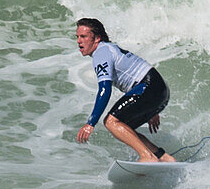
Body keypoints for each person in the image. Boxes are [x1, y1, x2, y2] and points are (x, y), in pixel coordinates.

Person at [74, 18, 176, 162]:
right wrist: (151, 106)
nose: (79, 41)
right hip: (158, 87)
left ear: (97, 38)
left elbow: (105, 89)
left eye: (83, 36)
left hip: (149, 86)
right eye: (77, 37)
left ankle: (147, 156)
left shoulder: (101, 53)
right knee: (125, 128)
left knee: (111, 122)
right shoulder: (108, 48)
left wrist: (90, 123)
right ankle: (163, 157)